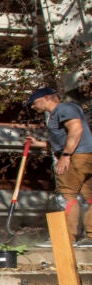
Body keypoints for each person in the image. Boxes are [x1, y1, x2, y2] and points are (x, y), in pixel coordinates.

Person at [25, 87, 92, 247]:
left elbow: (76, 129)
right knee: (88, 198)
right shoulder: (64, 110)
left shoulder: (63, 108)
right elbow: (63, 140)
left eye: (34, 103)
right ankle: (90, 237)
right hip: (85, 157)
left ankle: (66, 238)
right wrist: (39, 144)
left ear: (46, 98)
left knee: (66, 196)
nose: (34, 107)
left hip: (76, 157)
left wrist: (66, 156)